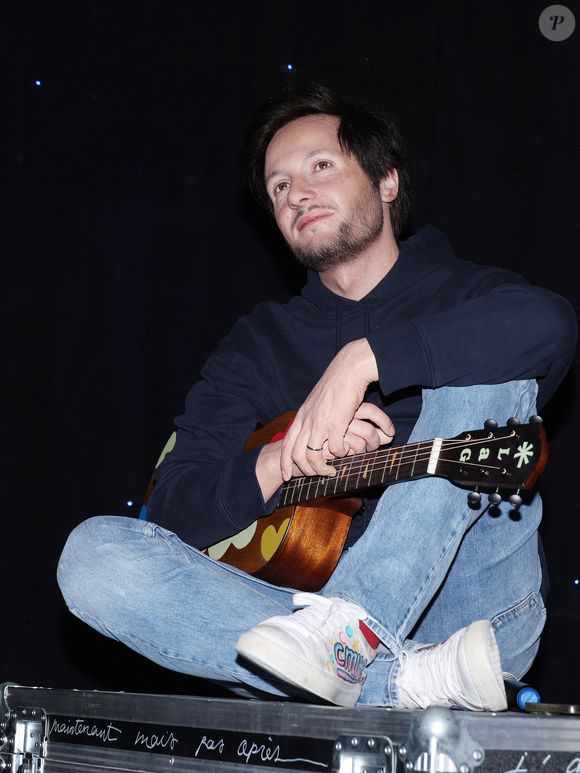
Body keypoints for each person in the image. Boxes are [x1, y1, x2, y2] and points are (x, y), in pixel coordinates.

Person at [58, 83, 576, 710]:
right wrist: (281, 459)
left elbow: (550, 325)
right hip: (308, 621)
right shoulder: (258, 344)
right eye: (278, 188)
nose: (296, 194)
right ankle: (401, 681)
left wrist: (362, 361)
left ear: (387, 182)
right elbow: (170, 509)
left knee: (491, 372)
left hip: (472, 615)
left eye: (320, 167)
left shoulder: (470, 294)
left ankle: (350, 635)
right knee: (93, 558)